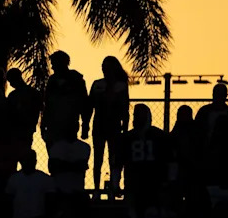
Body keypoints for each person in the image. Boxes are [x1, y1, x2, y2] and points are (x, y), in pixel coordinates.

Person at [86, 56, 130, 194]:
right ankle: (97, 189)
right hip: (99, 125)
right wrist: (85, 125)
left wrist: (125, 128)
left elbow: (125, 109)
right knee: (97, 158)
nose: (105, 69)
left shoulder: (121, 86)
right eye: (103, 67)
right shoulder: (97, 84)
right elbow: (90, 106)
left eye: (108, 67)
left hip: (114, 126)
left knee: (114, 158)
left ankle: (112, 187)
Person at [196, 84, 228, 186]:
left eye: (221, 95)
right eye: (218, 94)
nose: (219, 97)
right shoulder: (205, 112)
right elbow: (196, 132)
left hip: (226, 154)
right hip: (207, 152)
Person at [122, 104, 166, 207]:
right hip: (150, 180)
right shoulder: (159, 135)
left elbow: (119, 161)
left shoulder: (128, 137)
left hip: (138, 180)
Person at [42, 51, 87, 149]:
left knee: (65, 152)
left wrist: (85, 124)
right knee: (54, 153)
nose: (52, 67)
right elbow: (48, 104)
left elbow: (84, 103)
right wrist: (43, 124)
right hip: (53, 125)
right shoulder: (52, 80)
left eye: (54, 64)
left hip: (69, 124)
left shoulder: (76, 79)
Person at [6, 150, 56, 218]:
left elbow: (50, 201)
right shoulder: (14, 179)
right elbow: (9, 200)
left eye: (30, 160)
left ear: (35, 161)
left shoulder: (45, 179)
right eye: (26, 160)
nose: (28, 162)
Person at [48, 124, 91, 200]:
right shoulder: (84, 147)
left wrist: (63, 165)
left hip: (75, 191)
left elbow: (81, 167)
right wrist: (74, 165)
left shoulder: (55, 147)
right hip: (61, 191)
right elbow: (53, 168)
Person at [6, 68, 42, 152]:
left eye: (11, 81)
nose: (10, 84)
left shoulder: (14, 95)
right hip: (22, 129)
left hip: (22, 129)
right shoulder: (32, 92)